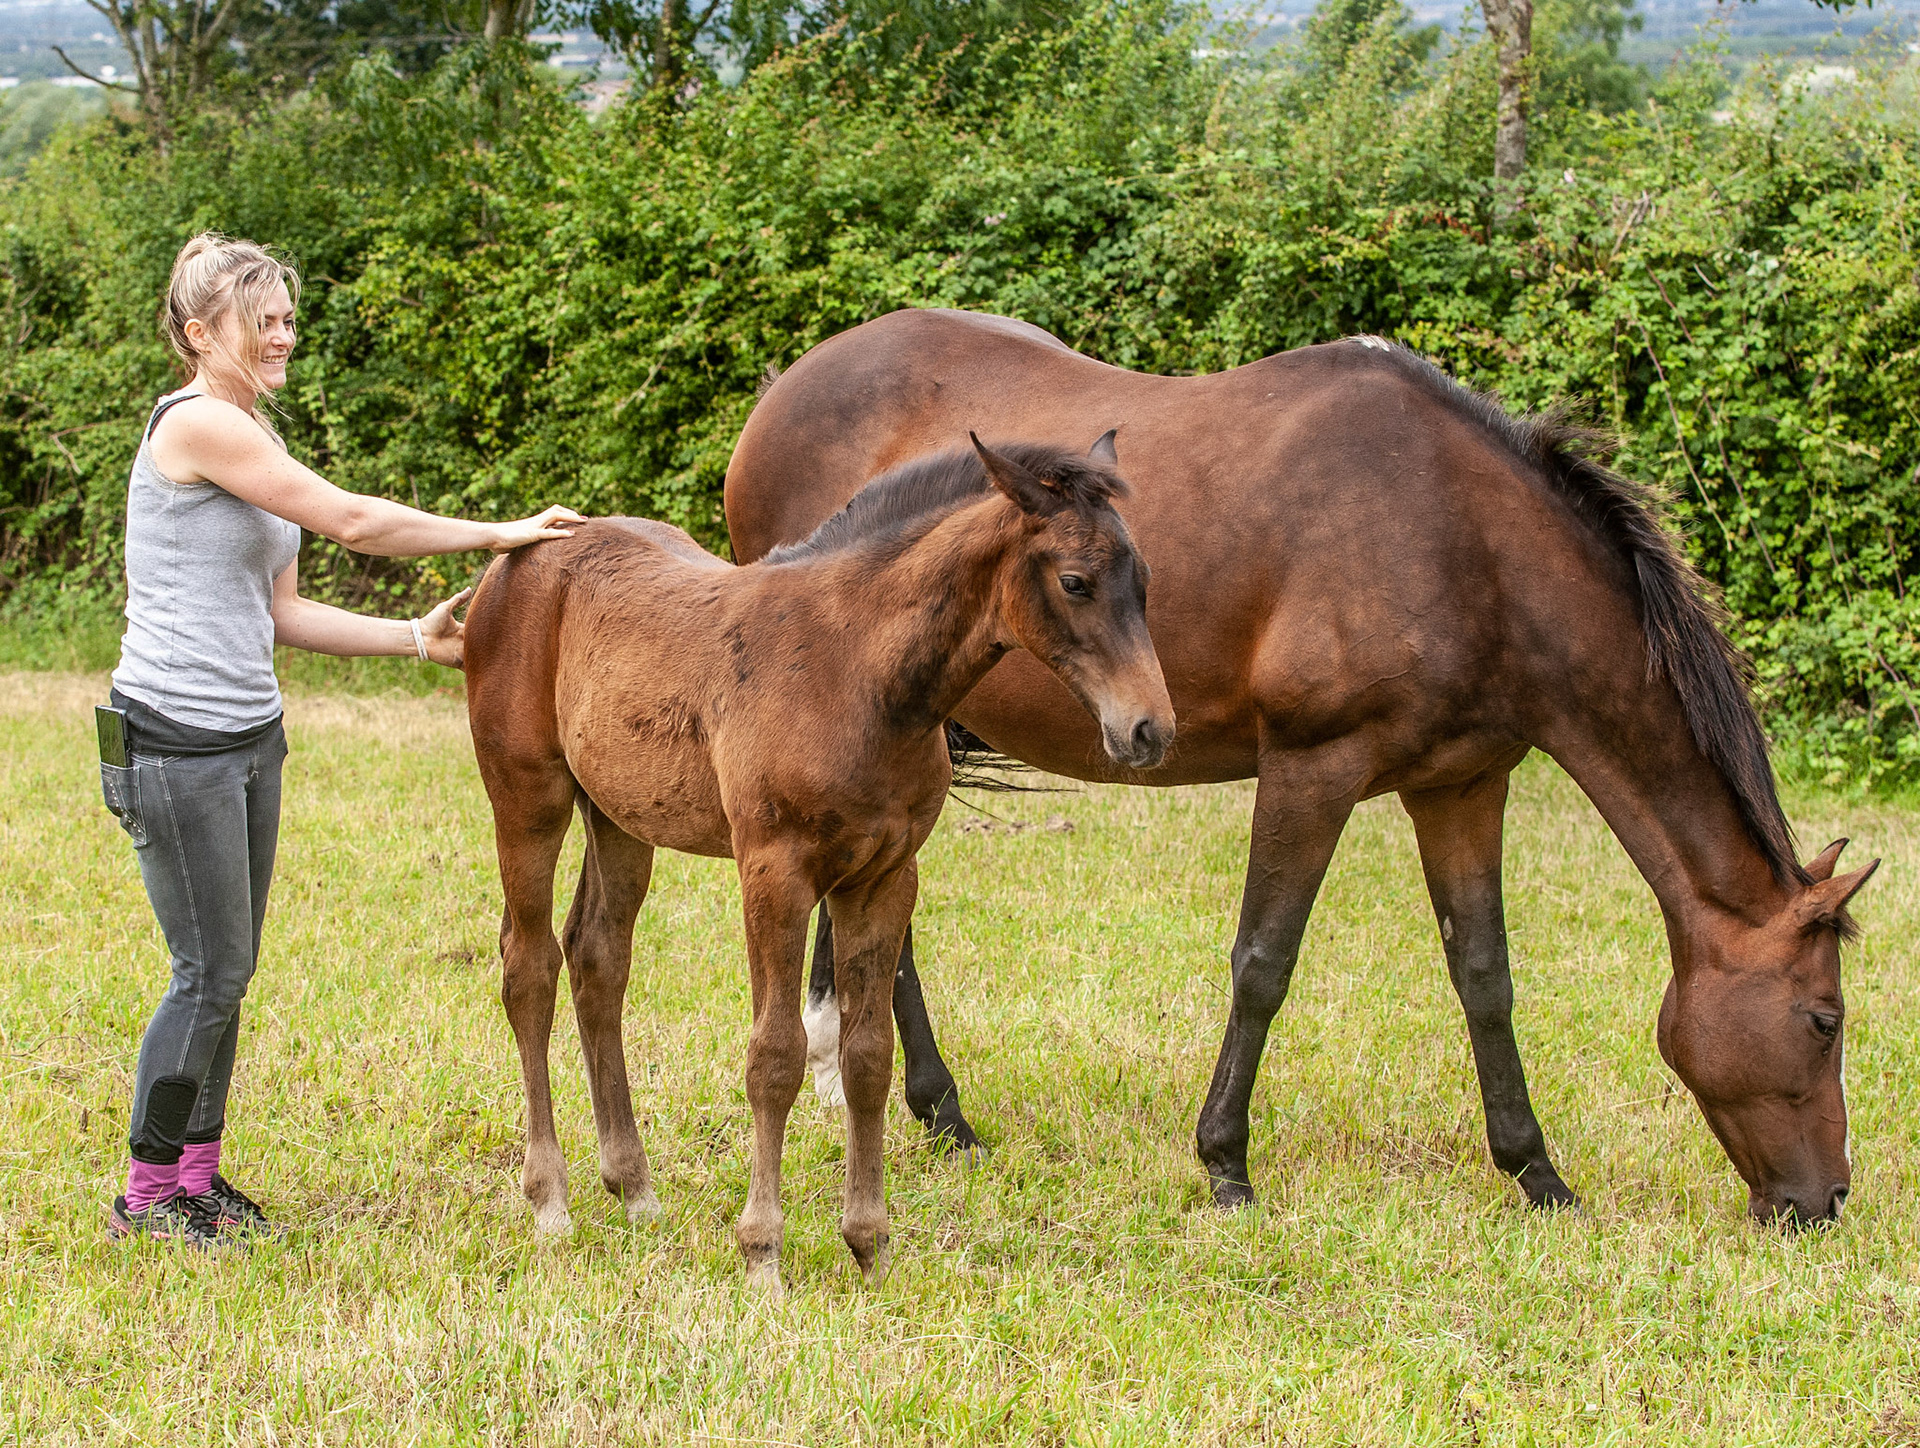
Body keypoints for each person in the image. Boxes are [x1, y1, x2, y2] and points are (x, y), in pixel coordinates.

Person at [101, 232, 582, 1246]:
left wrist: (416, 638)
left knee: (228, 972)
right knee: (207, 974)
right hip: (174, 742)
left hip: (247, 735)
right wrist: (500, 534)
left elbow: (281, 612)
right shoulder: (198, 424)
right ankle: (146, 1199)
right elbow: (354, 522)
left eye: (287, 319)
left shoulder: (249, 431)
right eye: (261, 321)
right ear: (201, 334)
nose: (283, 336)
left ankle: (197, 1180)